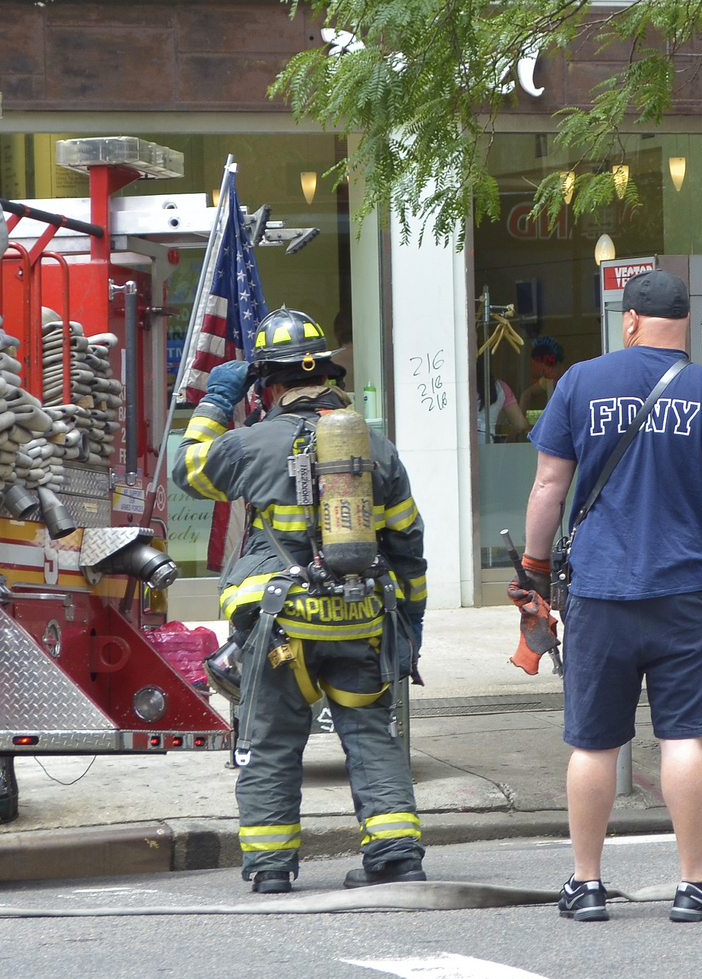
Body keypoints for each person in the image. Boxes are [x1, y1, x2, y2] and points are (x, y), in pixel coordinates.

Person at [518, 269, 702, 923]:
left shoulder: (579, 384)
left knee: (594, 743)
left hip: (599, 592)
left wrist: (534, 568)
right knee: (685, 739)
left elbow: (548, 487)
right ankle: (696, 884)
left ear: (629, 321)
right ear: (687, 325)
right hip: (688, 590)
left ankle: (586, 884)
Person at [172, 306, 429, 894]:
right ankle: (394, 857)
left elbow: (190, 469)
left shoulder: (250, 443)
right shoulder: (375, 448)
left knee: (270, 743)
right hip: (361, 622)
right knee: (370, 735)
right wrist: (409, 628)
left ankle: (270, 869)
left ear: (271, 386)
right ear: (328, 380)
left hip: (279, 629)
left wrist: (214, 401)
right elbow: (408, 544)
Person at [477, 365, 527, 443]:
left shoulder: (458, 384)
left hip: (459, 439)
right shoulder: (501, 387)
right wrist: (510, 439)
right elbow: (520, 424)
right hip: (486, 439)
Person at [519, 336, 565, 415]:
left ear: (557, 364)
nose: (543, 373)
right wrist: (521, 421)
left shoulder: (570, 380)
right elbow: (526, 395)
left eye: (545, 369)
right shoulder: (547, 381)